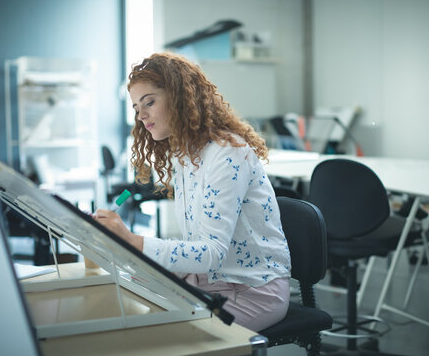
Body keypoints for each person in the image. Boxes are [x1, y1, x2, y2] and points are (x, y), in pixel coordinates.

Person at [94, 52, 291, 332]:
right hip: (208, 281)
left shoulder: (227, 153)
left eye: (149, 102)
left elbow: (211, 252)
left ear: (178, 98)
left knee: (155, 333)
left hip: (252, 291)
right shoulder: (185, 154)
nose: (142, 115)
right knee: (123, 301)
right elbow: (198, 247)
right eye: (137, 107)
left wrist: (132, 240)